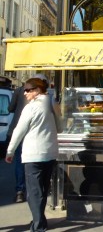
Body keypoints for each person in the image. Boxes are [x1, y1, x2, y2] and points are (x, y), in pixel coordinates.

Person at [5, 77, 59, 232]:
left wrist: (10, 151)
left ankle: (39, 225)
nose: (25, 93)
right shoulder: (52, 103)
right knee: (42, 189)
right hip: (50, 151)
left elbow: (19, 131)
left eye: (28, 90)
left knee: (34, 192)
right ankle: (39, 220)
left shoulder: (30, 108)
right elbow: (60, 127)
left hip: (34, 153)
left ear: (37, 91)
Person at [7, 74, 50, 203]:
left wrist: (10, 151)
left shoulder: (19, 90)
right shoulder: (46, 98)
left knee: (20, 162)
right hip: (34, 134)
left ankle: (20, 190)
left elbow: (11, 108)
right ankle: (37, 190)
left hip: (19, 129)